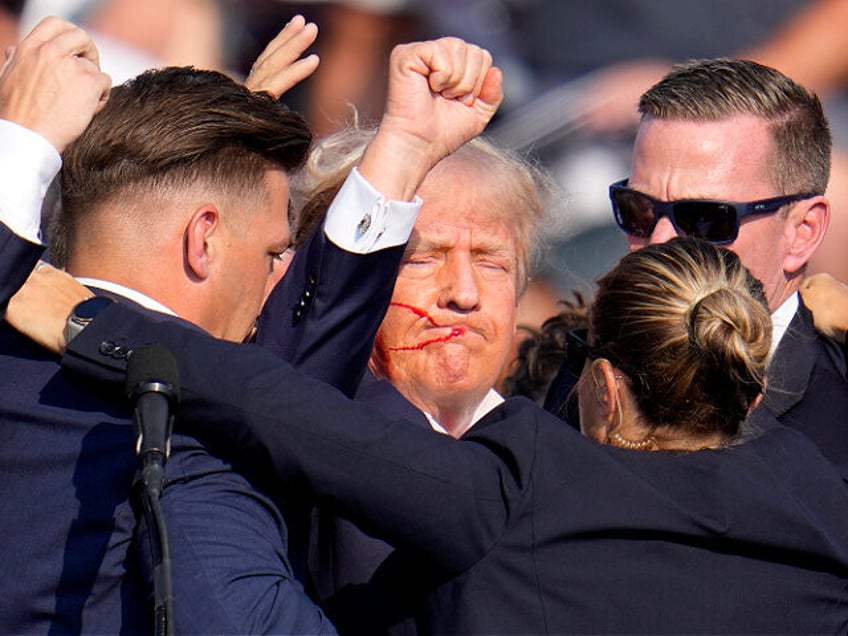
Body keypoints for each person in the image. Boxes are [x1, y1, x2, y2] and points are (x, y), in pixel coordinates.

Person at [14, 237, 848, 634]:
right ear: (747, 392)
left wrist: (79, 312)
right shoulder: (821, 506)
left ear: (603, 386)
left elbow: (280, 411)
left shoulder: (528, 486)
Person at [0, 14, 503, 634]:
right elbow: (262, 394)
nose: (279, 276)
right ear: (202, 238)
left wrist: (402, 149)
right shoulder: (194, 424)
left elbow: (284, 378)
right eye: (272, 255)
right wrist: (19, 142)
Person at [275, 127, 548, 628]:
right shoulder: (305, 433)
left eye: (491, 262)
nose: (463, 294)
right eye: (422, 258)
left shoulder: (554, 450)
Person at [547, 57, 848, 465]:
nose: (659, 241)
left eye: (705, 219)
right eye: (638, 210)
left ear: (803, 231)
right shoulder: (574, 370)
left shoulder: (836, 407)